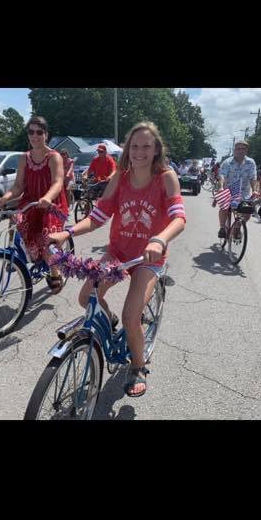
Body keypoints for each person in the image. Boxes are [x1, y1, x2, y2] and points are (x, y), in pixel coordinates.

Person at [48, 121, 186, 398]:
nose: (139, 152)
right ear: (127, 149)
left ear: (156, 149)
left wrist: (159, 240)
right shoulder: (120, 177)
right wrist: (67, 232)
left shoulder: (166, 177)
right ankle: (108, 320)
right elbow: (98, 216)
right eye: (134, 146)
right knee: (86, 297)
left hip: (148, 258)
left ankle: (138, 366)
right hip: (119, 253)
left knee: (131, 316)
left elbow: (179, 218)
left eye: (146, 146)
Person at [0, 116, 68, 292]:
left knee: (47, 239)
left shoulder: (54, 157)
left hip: (51, 205)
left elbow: (57, 182)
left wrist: (48, 197)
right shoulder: (24, 158)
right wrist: (5, 198)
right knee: (15, 222)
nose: (35, 136)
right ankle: (25, 257)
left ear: (46, 134)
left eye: (39, 132)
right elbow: (18, 186)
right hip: (30, 203)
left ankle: (55, 272)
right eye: (31, 132)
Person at [216, 141, 258, 238]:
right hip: (229, 192)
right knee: (224, 208)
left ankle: (238, 226)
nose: (240, 151)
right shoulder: (227, 162)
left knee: (247, 212)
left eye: (243, 149)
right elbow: (222, 175)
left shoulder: (250, 162)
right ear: (234, 150)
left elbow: (253, 177)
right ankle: (222, 228)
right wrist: (221, 187)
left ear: (246, 150)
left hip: (244, 193)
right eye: (238, 149)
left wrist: (254, 190)